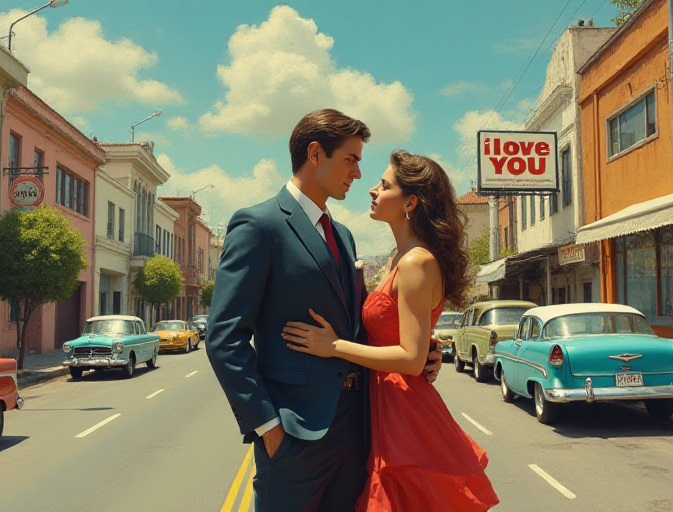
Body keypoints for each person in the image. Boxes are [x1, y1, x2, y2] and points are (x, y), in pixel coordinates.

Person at [205, 110, 442, 512]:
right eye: (350, 159)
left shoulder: (344, 236)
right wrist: (268, 427)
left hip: (357, 432)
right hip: (294, 436)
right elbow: (224, 338)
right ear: (316, 153)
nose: (358, 173)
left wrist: (420, 352)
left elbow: (355, 329)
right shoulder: (259, 225)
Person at [282, 150, 500, 512]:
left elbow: (411, 360)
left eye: (384, 185)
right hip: (386, 404)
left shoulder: (416, 262)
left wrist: (334, 346)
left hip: (405, 412)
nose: (372, 189)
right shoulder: (399, 260)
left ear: (410, 202)